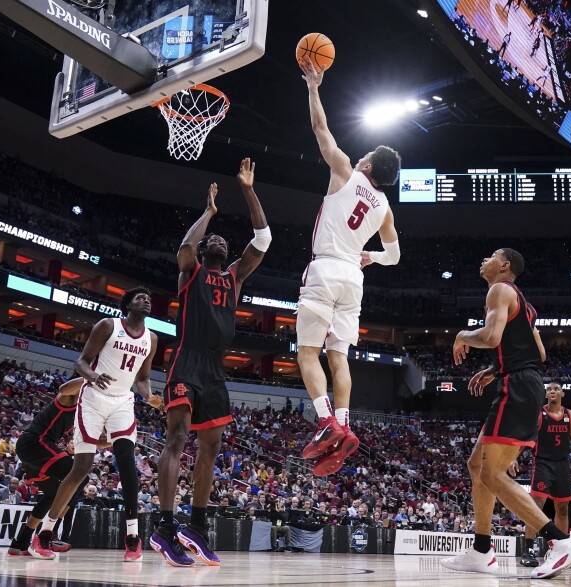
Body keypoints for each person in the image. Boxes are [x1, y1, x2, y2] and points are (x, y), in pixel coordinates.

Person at [440, 249, 571, 578]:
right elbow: (538, 352)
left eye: (490, 256)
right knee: (476, 465)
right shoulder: (524, 303)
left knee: (493, 474)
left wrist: (461, 335)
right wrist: (497, 368)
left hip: (519, 388)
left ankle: (561, 542)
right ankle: (482, 549)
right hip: (520, 381)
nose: (483, 260)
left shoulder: (499, 289)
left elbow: (491, 336)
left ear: (505, 265)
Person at [152, 159, 271, 568]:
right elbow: (184, 248)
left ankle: (196, 526)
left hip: (216, 369)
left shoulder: (235, 276)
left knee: (213, 446)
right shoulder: (191, 273)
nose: (218, 240)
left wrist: (248, 190)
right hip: (186, 360)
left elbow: (263, 240)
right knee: (176, 438)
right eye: (212, 239)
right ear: (206, 251)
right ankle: (164, 526)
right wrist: (208, 213)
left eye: (222, 238)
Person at [296, 56, 402, 477]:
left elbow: (321, 130)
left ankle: (325, 420)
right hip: (354, 280)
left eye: (365, 154)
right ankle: (343, 424)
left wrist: (313, 87)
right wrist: (371, 256)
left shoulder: (345, 171)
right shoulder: (386, 210)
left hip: (324, 270)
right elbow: (394, 256)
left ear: (369, 166)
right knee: (337, 357)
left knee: (306, 353)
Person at [30, 287, 161, 562]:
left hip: (123, 402)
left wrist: (148, 396)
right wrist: (93, 375)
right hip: (92, 399)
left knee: (126, 461)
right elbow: (82, 362)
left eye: (148, 299)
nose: (146, 300)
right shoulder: (108, 326)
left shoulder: (152, 338)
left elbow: (143, 377)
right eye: (140, 297)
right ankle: (44, 533)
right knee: (82, 467)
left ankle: (133, 536)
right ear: (128, 304)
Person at [517, 381, 571, 567]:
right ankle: (528, 550)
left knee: (562, 509)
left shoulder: (570, 415)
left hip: (562, 465)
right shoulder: (539, 414)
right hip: (542, 463)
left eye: (556, 389)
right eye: (549, 389)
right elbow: (526, 437)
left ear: (562, 393)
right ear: (546, 395)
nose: (552, 391)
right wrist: (513, 458)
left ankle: (563, 551)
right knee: (536, 506)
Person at [8, 378, 85, 555]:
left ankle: (20, 542)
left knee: (52, 494)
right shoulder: (70, 399)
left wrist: (120, 438)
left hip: (33, 450)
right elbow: (64, 388)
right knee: (80, 476)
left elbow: (99, 441)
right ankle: (48, 535)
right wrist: (93, 374)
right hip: (35, 442)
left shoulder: (83, 412)